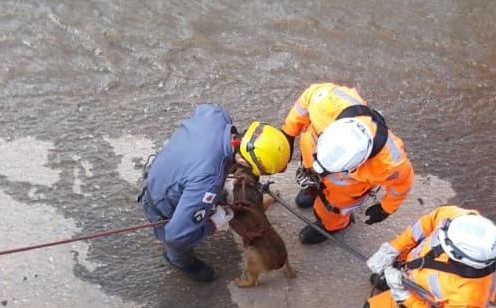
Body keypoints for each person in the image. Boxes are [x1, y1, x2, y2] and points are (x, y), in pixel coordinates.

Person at [139, 104, 291, 282]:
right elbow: (175, 235)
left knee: (208, 193)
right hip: (160, 200)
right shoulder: (208, 180)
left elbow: (204, 108)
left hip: (168, 168)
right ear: (242, 158)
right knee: (178, 239)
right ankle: (180, 261)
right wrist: (212, 223)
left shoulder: (217, 116)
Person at [280, 83, 414, 244]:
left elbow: (402, 185)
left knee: (332, 211)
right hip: (310, 162)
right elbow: (306, 100)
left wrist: (386, 208)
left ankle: (332, 225)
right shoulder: (326, 102)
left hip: (343, 191)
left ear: (359, 163)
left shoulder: (390, 164)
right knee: (311, 182)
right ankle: (313, 187)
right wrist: (288, 132)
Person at [350, 205, 496, 308]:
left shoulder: (470, 298)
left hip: (417, 299)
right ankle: (392, 282)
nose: (442, 227)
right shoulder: (459, 220)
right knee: (388, 279)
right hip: (410, 268)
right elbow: (426, 224)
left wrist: (405, 298)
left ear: (457, 254)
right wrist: (393, 248)